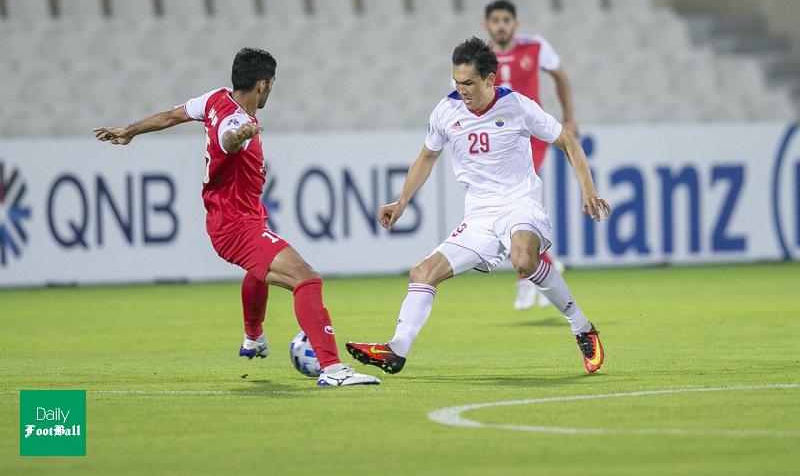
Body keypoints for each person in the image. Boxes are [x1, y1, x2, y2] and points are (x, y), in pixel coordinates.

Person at [94, 47, 379, 388]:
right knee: (306, 280)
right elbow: (228, 141)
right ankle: (333, 370)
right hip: (235, 226)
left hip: (239, 217)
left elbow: (171, 116)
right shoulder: (237, 123)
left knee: (259, 272)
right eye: (273, 83)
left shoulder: (215, 99)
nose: (272, 88)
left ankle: (253, 338)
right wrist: (238, 135)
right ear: (262, 84)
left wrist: (129, 130)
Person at [346, 38, 610, 375]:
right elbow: (427, 157)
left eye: (469, 83)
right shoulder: (446, 110)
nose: (462, 90)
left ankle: (582, 327)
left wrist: (588, 190)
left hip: (520, 203)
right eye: (456, 82)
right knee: (422, 273)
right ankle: (396, 350)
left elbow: (568, 142)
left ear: (490, 80)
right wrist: (401, 201)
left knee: (524, 259)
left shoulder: (518, 106)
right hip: (479, 216)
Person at [484, 0, 578, 311]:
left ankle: (527, 277)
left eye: (506, 19)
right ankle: (544, 264)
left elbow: (560, 76)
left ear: (515, 23)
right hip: (499, 141)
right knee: (508, 203)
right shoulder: (479, 54)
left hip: (532, 134)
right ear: (487, 25)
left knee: (517, 198)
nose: (501, 25)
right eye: (495, 20)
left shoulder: (535, 46)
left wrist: (568, 117)